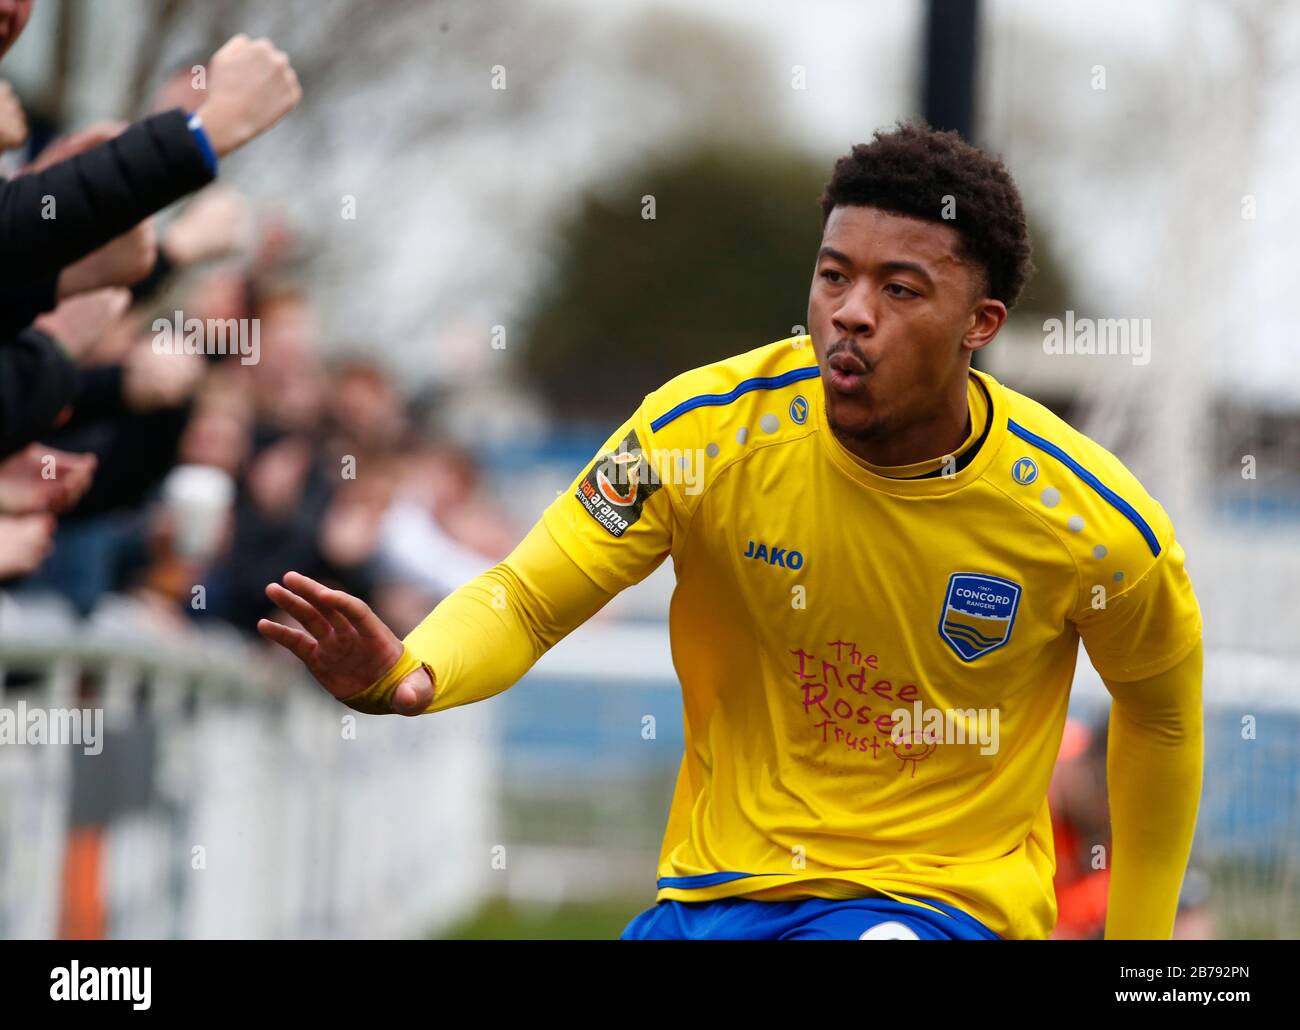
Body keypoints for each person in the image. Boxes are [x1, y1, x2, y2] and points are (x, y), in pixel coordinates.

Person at [259, 123, 1204, 941]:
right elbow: (530, 595)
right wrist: (413, 673)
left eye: (902, 289)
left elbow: (1160, 714)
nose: (851, 311)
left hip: (937, 906)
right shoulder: (700, 433)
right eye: (833, 274)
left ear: (980, 322)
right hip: (718, 893)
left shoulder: (1093, 524)